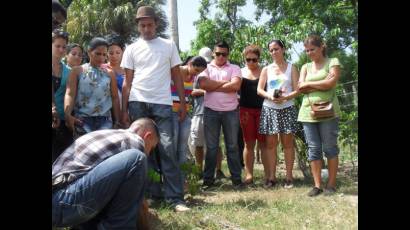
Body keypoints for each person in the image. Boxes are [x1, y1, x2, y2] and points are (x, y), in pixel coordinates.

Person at [120, 5, 189, 212]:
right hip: (137, 102)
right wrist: (124, 110)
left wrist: (183, 103)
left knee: (167, 148)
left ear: (156, 24)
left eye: (150, 25)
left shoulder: (168, 45)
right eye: (143, 25)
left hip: (162, 104)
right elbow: (126, 82)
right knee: (141, 150)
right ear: (138, 26)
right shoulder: (131, 49)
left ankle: (175, 198)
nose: (147, 29)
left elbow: (177, 75)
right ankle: (148, 195)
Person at [52, 118, 159, 229]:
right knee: (137, 159)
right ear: (148, 136)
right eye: (151, 148)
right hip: (64, 199)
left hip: (60, 199)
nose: (149, 153)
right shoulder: (133, 140)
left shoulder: (107, 135)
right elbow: (139, 205)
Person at [297, 34, 341, 196]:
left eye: (312, 49)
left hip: (329, 112)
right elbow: (300, 88)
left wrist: (308, 84)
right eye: (307, 50)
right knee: (313, 149)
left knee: (330, 148)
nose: (309, 53)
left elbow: (331, 83)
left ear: (321, 47)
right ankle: (317, 185)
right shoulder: (305, 67)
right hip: (307, 112)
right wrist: (318, 84)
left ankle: (331, 184)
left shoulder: (333, 62)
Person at [198, 41, 244, 189]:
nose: (221, 57)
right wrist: (225, 83)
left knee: (232, 146)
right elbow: (204, 85)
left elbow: (236, 86)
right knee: (211, 147)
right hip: (211, 111)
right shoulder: (206, 67)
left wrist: (214, 85)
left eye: (224, 54)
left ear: (228, 54)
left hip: (231, 111)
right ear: (213, 53)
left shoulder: (235, 67)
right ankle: (208, 181)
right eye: (218, 54)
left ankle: (236, 180)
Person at [257, 39, 300, 189]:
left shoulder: (292, 68)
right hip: (270, 108)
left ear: (283, 49)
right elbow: (259, 89)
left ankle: (289, 177)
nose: (274, 52)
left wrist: (285, 98)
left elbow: (297, 89)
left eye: (276, 49)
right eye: (271, 50)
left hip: (287, 108)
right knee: (270, 144)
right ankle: (272, 177)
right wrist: (271, 97)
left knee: (288, 144)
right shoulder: (266, 69)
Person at [64, 37, 121, 138]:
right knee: (84, 152)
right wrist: (68, 115)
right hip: (82, 120)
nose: (101, 58)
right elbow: (70, 94)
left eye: (104, 54)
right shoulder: (77, 71)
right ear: (89, 52)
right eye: (98, 53)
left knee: (104, 153)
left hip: (105, 121)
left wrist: (117, 121)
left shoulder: (110, 73)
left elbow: (115, 97)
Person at [191, 47, 225, 179]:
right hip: (199, 112)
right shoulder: (196, 74)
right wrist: (209, 90)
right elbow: (192, 92)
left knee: (215, 144)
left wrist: (213, 88)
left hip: (215, 111)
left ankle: (218, 170)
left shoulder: (213, 72)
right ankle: (199, 171)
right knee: (199, 144)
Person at [172, 56, 208, 183]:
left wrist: (204, 91)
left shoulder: (193, 77)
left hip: (185, 114)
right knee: (172, 146)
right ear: (190, 64)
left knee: (183, 147)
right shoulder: (176, 71)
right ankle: (172, 178)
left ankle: (182, 179)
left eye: (200, 72)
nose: (197, 74)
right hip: (171, 113)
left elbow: (190, 91)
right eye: (196, 70)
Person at [239, 45, 266, 185]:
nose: (250, 63)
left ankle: (269, 176)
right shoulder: (240, 72)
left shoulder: (265, 71)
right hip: (245, 112)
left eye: (254, 60)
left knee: (264, 143)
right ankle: (249, 175)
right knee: (248, 144)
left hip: (263, 110)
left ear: (258, 59)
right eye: (248, 59)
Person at [52, 29, 73, 163]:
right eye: (57, 46)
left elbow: (69, 94)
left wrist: (67, 114)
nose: (61, 49)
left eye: (64, 47)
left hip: (62, 121)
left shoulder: (68, 71)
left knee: (62, 160)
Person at [103, 34, 126, 110]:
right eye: (111, 53)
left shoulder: (129, 70)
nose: (114, 56)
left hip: (127, 109)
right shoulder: (101, 68)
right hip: (107, 110)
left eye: (118, 52)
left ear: (123, 51)